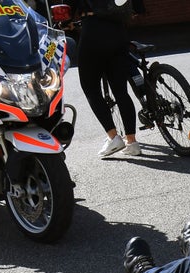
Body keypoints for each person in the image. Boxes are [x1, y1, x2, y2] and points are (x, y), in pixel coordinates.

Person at [73, 0, 145, 158]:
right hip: (118, 30)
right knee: (120, 90)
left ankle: (113, 137)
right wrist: (137, 9)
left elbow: (68, 6)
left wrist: (65, 20)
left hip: (92, 30)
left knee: (90, 88)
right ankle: (132, 142)